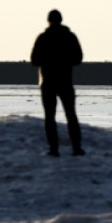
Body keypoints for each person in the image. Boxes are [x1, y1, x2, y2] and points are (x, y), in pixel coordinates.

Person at [30, 9, 84, 157]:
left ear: (49, 20)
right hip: (65, 81)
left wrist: (48, 61)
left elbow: (34, 60)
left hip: (48, 82)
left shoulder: (43, 38)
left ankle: (54, 149)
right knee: (70, 115)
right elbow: (78, 58)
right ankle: (76, 148)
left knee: (50, 117)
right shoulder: (70, 37)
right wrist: (64, 61)